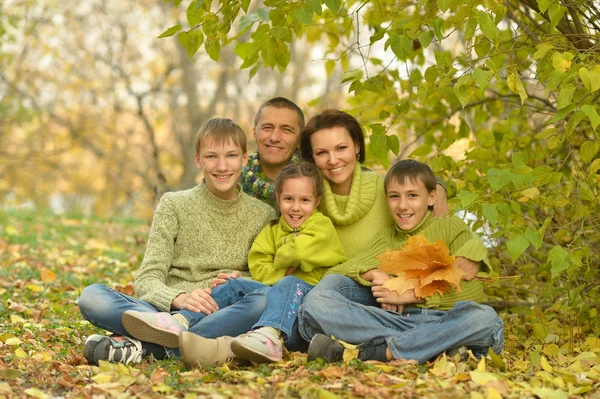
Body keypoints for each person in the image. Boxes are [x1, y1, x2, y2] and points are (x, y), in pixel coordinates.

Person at [78, 118, 276, 365]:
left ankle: (146, 348)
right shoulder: (174, 204)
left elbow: (267, 277)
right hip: (163, 315)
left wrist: (242, 281)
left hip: (223, 312)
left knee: (265, 299)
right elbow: (147, 278)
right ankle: (185, 341)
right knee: (92, 297)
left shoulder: (264, 215)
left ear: (244, 159)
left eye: (231, 156)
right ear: (198, 160)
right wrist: (179, 298)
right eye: (212, 156)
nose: (222, 166)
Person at [298, 159, 504, 364]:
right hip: (399, 321)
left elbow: (473, 290)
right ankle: (435, 346)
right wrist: (374, 274)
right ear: (386, 200)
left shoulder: (450, 227)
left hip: (447, 319)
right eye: (394, 196)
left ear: (432, 197)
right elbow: (335, 273)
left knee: (486, 318)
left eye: (412, 195)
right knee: (316, 303)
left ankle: (383, 352)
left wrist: (410, 294)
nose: (403, 205)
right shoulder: (387, 239)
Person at [178, 162, 348, 366]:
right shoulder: (273, 229)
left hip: (306, 299)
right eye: (288, 199)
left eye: (304, 200)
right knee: (233, 283)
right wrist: (285, 269)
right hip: (275, 292)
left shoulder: (321, 225)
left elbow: (301, 251)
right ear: (278, 199)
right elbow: (258, 265)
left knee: (289, 283)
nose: (295, 207)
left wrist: (281, 260)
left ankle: (270, 336)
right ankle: (181, 319)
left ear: (316, 201)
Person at [241, 97, 304, 206]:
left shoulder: (315, 181)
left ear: (299, 139)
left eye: (286, 130)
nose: (274, 138)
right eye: (267, 127)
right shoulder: (230, 180)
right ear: (255, 133)